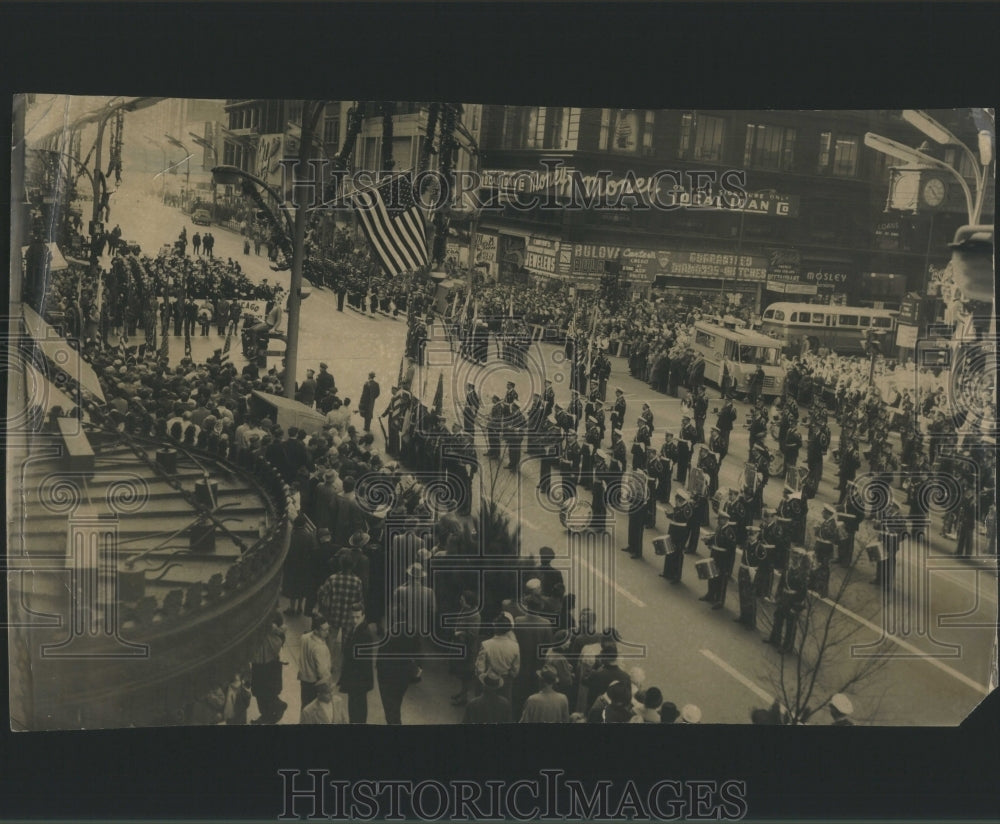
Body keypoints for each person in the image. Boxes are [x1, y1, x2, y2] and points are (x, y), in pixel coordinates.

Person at [376, 621, 421, 725]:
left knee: (390, 709)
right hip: (402, 677)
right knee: (395, 705)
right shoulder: (412, 632)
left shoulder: (389, 635)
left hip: (387, 677)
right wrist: (416, 668)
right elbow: (417, 651)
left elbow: (381, 660)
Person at [338, 603, 375, 724]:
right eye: (352, 617)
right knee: (356, 709)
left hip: (358, 680)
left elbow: (356, 659)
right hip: (358, 680)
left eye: (357, 617)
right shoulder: (358, 629)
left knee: (357, 711)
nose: (354, 620)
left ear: (363, 616)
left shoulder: (364, 634)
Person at [250, 611, 287, 725]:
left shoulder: (272, 634)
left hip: (266, 665)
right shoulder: (273, 635)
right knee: (259, 691)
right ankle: (266, 715)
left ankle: (275, 708)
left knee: (265, 692)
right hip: (261, 664)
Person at [476, 614, 520, 706]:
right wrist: (508, 676)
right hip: (506, 681)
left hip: (488, 680)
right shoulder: (515, 646)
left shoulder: (485, 644)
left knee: (487, 706)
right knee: (504, 706)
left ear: (495, 627)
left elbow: (480, 667)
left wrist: (483, 677)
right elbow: (515, 669)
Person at [297, 616, 332, 709]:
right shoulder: (320, 648)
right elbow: (322, 671)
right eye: (324, 630)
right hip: (315, 683)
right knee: (314, 711)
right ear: (316, 631)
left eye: (328, 629)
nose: (327, 632)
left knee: (305, 708)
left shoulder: (304, 638)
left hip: (304, 680)